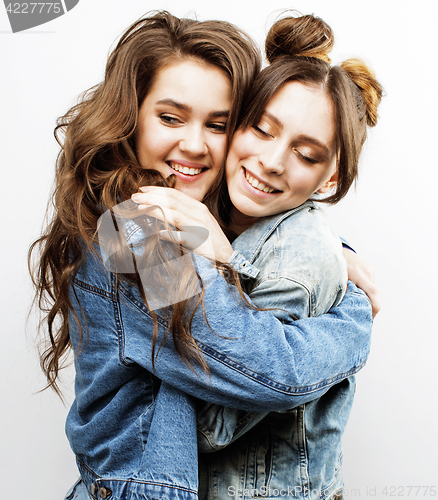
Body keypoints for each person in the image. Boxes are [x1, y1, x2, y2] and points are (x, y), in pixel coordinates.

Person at [29, 11, 375, 500]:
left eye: (218, 124)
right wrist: (353, 315)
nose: (193, 145)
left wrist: (335, 254)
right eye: (170, 118)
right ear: (131, 118)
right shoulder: (138, 236)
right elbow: (270, 371)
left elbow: (254, 233)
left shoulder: (185, 209)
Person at [130, 13, 382, 500]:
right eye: (261, 130)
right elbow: (118, 242)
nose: (271, 160)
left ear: (330, 180)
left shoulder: (294, 255)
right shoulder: (159, 216)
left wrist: (222, 266)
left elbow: (207, 428)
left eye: (306, 154)